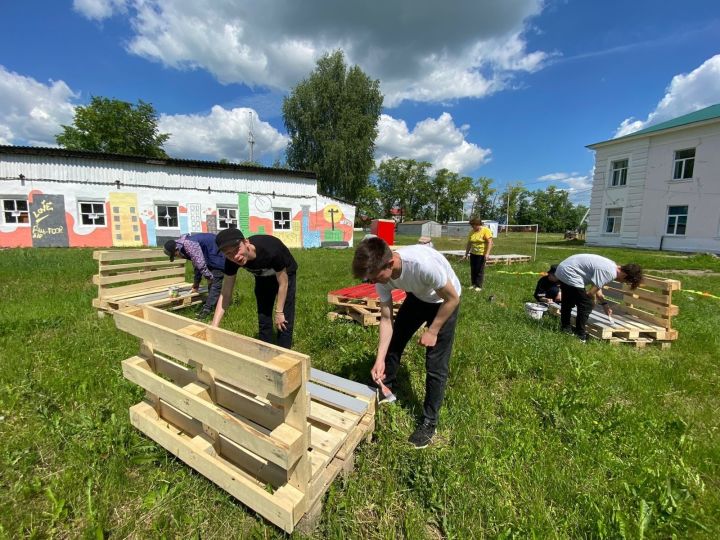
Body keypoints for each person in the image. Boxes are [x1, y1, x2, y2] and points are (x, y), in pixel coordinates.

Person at [352, 237, 461, 449]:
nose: (373, 283)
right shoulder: (381, 275)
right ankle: (386, 387)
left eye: (375, 278)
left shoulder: (423, 266)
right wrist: (379, 359)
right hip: (419, 297)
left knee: (435, 364)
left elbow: (453, 299)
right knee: (396, 341)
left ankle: (430, 422)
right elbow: (386, 319)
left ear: (390, 264)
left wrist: (433, 330)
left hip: (444, 301)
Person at [212, 228, 297, 348]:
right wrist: (214, 327)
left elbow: (283, 283)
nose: (235, 257)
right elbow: (225, 293)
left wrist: (279, 312)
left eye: (237, 249)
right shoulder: (231, 261)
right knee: (263, 315)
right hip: (262, 275)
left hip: (284, 274)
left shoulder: (271, 250)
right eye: (229, 254)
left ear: (246, 242)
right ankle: (265, 352)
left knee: (284, 319)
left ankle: (285, 353)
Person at [555, 254, 643, 342]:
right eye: (626, 281)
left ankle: (565, 329)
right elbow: (591, 293)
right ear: (625, 275)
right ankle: (580, 336)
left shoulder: (612, 266)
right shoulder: (610, 273)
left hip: (563, 268)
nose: (622, 282)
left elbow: (596, 286)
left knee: (568, 301)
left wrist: (604, 304)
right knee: (586, 305)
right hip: (569, 272)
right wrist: (591, 302)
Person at [163, 234, 225, 320]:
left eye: (175, 255)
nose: (177, 257)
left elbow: (200, 264)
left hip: (217, 251)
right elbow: (197, 266)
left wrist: (209, 277)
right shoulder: (183, 247)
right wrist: (196, 284)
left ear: (176, 249)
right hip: (209, 253)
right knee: (212, 281)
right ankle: (213, 306)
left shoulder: (189, 245)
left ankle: (207, 311)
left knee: (215, 282)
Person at [462, 217, 493, 291]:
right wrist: (466, 254)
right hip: (473, 253)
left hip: (482, 253)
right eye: (472, 226)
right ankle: (473, 284)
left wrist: (487, 254)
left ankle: (479, 286)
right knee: (473, 269)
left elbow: (490, 242)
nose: (472, 227)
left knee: (479, 270)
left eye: (473, 225)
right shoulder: (472, 232)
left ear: (478, 224)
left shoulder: (486, 230)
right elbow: (469, 243)